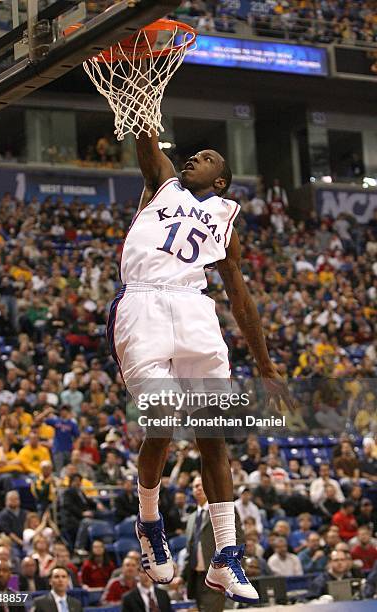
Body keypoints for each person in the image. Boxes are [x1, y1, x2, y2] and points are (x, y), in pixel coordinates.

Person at [108, 120, 294, 604]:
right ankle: (150, 522)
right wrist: (144, 93)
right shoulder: (162, 182)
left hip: (195, 309)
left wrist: (266, 366)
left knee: (213, 436)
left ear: (221, 182)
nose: (194, 158)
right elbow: (147, 141)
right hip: (144, 304)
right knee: (163, 422)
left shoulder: (224, 222)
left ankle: (226, 557)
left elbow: (240, 296)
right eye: (195, 154)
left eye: (207, 158)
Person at [182, 476, 242, 612]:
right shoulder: (191, 518)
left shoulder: (223, 509)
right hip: (196, 576)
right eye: (195, 486)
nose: (198, 488)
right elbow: (189, 550)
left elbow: (238, 539)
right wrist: (182, 576)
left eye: (201, 485)